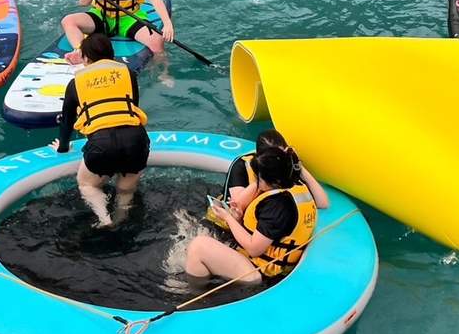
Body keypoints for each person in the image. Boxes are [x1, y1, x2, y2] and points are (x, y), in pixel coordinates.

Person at [185, 147, 329, 284]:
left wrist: (228, 218)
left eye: (259, 178)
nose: (257, 182)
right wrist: (238, 218)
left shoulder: (278, 205)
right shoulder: (297, 187)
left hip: (260, 272)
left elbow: (254, 249)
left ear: (273, 181)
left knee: (198, 246)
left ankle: (194, 291)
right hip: (264, 264)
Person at [51, 32, 151, 227]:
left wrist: (63, 147)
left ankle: (104, 219)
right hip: (136, 139)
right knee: (125, 189)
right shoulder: (128, 74)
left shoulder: (75, 83)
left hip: (102, 144)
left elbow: (67, 120)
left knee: (88, 184)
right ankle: (122, 218)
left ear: (86, 57)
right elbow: (132, 107)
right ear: (112, 54)